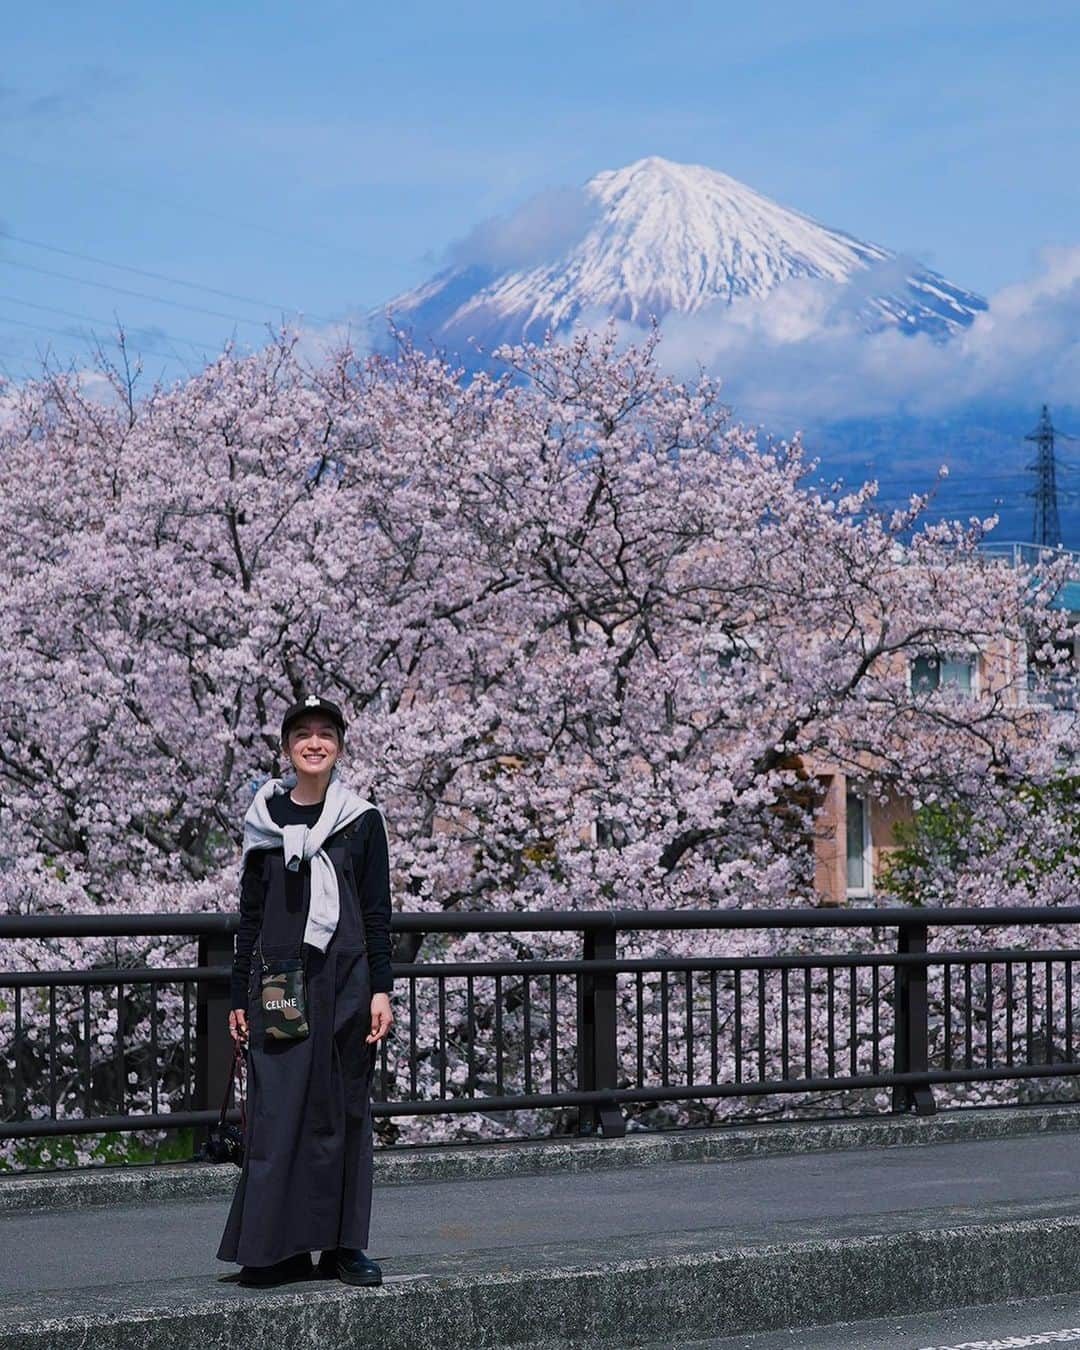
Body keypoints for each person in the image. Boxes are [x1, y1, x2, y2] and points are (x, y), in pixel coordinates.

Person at [216, 693, 395, 1288]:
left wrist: (382, 989)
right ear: (288, 747)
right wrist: (238, 994)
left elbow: (376, 913)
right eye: (303, 734)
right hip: (279, 980)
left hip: (347, 979)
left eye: (326, 733)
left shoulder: (362, 820)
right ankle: (276, 1248)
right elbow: (249, 915)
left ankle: (344, 1246)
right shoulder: (264, 820)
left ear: (339, 746)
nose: (314, 743)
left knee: (343, 1108)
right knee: (278, 1107)